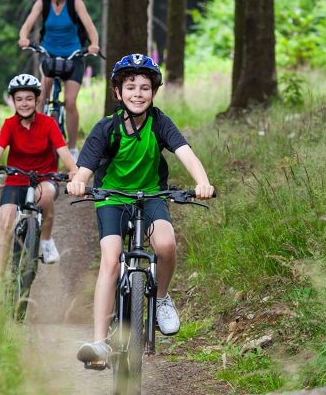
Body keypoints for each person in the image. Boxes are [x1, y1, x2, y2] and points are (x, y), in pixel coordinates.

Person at [66, 54, 215, 363]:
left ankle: (160, 299)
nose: (137, 93)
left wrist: (202, 181)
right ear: (118, 93)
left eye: (145, 88)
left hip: (151, 196)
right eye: (130, 87)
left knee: (166, 244)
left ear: (154, 93)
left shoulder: (159, 122)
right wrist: (79, 182)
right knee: (110, 261)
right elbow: (86, 167)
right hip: (112, 198)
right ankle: (99, 343)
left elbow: (185, 152)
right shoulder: (107, 127)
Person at [0, 74, 78, 300]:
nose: (24, 103)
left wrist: (74, 171)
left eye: (29, 98)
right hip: (16, 179)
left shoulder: (48, 123)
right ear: (13, 102)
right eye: (19, 99)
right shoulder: (9, 125)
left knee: (46, 195)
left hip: (44, 178)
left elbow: (63, 151)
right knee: (4, 224)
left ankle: (45, 241)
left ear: (37, 100)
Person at [18, 0, 100, 163]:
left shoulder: (75, 2)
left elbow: (90, 26)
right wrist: (23, 38)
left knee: (70, 102)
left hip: (73, 57)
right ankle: (35, 140)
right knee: (41, 98)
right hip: (49, 55)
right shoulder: (42, 3)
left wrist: (94, 44)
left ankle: (72, 148)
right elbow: (27, 24)